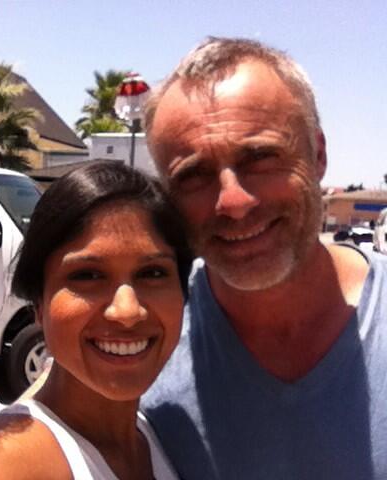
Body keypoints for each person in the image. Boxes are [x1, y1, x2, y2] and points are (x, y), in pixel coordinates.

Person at [141, 36, 387, 479]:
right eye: (194, 175)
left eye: (259, 157)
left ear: (318, 155)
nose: (233, 202)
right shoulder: (143, 344)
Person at [0, 161, 194, 479]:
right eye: (88, 275)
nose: (127, 311)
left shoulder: (158, 437)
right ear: (38, 304)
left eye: (153, 273)